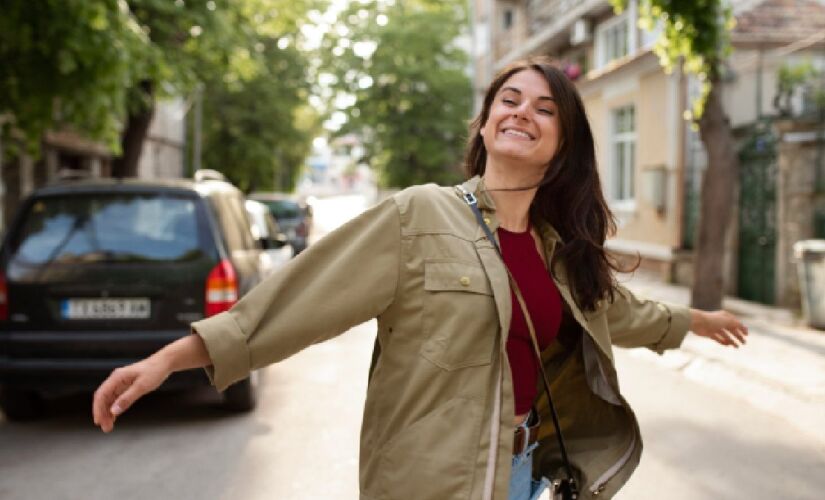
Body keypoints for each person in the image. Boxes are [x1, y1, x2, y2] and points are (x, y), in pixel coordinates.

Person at [92, 57, 748, 500]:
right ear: (485, 123)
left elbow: (618, 312)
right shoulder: (418, 215)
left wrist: (697, 320)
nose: (522, 112)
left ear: (564, 145)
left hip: (524, 473)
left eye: (545, 109)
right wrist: (168, 359)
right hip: (431, 483)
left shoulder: (559, 252)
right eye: (509, 100)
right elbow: (297, 301)